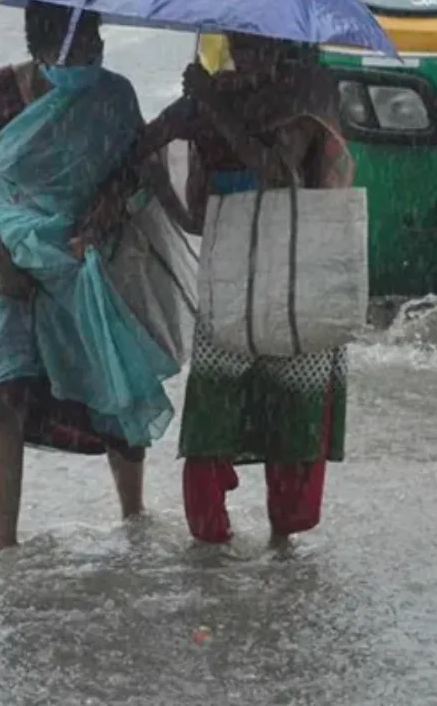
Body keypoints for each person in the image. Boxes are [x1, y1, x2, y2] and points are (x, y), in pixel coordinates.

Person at [99, 32, 354, 544]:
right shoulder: (204, 102)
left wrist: (213, 104)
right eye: (241, 48)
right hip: (229, 278)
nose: (250, 59)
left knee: (294, 411)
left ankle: (283, 539)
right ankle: (210, 546)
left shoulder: (302, 97)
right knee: (212, 415)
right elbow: (180, 198)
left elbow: (277, 176)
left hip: (295, 276)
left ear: (280, 51)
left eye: (260, 48)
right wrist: (145, 185)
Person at [0, 0, 179, 552]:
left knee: (115, 385)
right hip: (8, 250)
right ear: (39, 50)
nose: (85, 61)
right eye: (72, 52)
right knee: (5, 394)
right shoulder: (1, 92)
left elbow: (136, 170)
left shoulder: (114, 95)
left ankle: (134, 520)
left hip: (84, 259)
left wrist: (102, 216)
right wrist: (2, 262)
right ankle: (4, 545)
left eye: (92, 49)